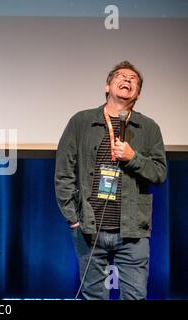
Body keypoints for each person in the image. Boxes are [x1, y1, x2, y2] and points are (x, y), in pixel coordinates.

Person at [54, 61, 167, 300]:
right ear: (107, 86)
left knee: (135, 297)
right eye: (121, 76)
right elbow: (64, 173)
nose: (127, 79)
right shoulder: (81, 122)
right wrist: (73, 219)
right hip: (89, 228)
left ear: (138, 93)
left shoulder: (149, 128)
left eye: (133, 79)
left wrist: (133, 157)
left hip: (132, 231)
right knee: (93, 296)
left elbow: (159, 173)